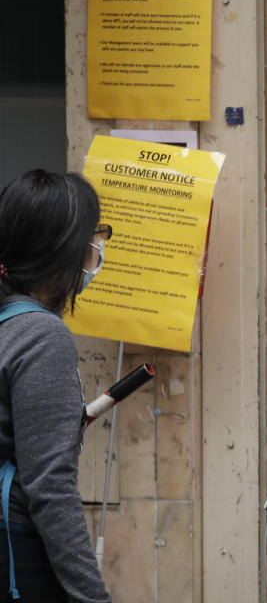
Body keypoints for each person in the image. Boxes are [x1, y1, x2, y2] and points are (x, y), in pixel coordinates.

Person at [0, 169, 112, 602]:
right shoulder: (40, 335)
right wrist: (92, 596)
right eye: (94, 235)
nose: (99, 248)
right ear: (66, 249)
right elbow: (49, 487)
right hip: (17, 554)